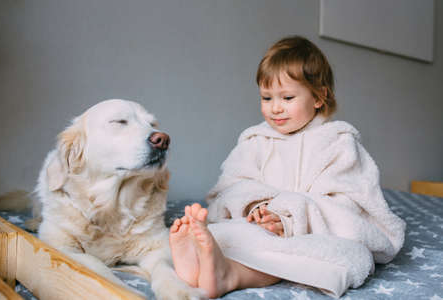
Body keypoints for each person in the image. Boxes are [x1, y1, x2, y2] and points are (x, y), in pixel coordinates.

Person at [169, 36, 406, 299]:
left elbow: (352, 206)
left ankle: (228, 273)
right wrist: (255, 208)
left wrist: (288, 218)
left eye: (287, 97)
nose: (275, 108)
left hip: (313, 235)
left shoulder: (339, 143)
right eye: (266, 98)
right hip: (256, 230)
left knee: (352, 257)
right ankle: (203, 261)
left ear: (319, 97)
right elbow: (228, 190)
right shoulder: (255, 141)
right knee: (228, 233)